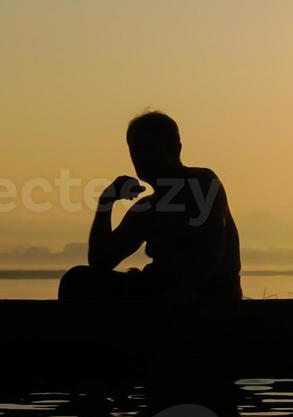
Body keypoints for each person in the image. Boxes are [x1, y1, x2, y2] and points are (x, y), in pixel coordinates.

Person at [60, 111, 243, 303]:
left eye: (149, 149)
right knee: (77, 280)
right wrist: (106, 202)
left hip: (208, 297)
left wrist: (179, 294)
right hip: (156, 291)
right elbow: (101, 263)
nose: (141, 158)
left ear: (175, 149)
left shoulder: (202, 182)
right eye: (136, 151)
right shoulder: (147, 208)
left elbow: (211, 253)